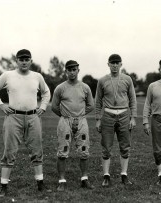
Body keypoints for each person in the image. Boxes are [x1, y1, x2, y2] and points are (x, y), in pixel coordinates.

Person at [0, 49, 51, 197]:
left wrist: (42, 107)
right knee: (9, 151)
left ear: (31, 61)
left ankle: (40, 184)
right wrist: (1, 105)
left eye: (26, 59)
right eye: (21, 59)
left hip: (33, 116)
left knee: (37, 150)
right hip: (13, 117)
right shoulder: (8, 75)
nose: (24, 62)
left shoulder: (37, 76)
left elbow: (46, 92)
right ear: (16, 61)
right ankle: (3, 186)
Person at [51, 60, 95, 191]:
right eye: (69, 70)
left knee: (84, 151)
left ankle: (84, 179)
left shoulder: (85, 87)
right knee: (63, 151)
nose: (72, 72)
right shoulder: (60, 88)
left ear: (78, 70)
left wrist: (79, 115)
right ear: (66, 71)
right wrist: (66, 116)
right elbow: (54, 106)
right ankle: (62, 180)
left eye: (74, 69)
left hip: (81, 121)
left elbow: (91, 105)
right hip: (65, 121)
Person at [95, 54, 137, 187]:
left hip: (124, 114)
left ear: (121, 64)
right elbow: (98, 101)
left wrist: (133, 118)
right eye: (112, 63)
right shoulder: (102, 80)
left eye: (117, 63)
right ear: (108, 64)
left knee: (125, 146)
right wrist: (97, 119)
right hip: (108, 115)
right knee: (106, 147)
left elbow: (133, 99)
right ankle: (106, 175)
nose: (114, 65)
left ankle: (124, 174)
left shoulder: (127, 79)